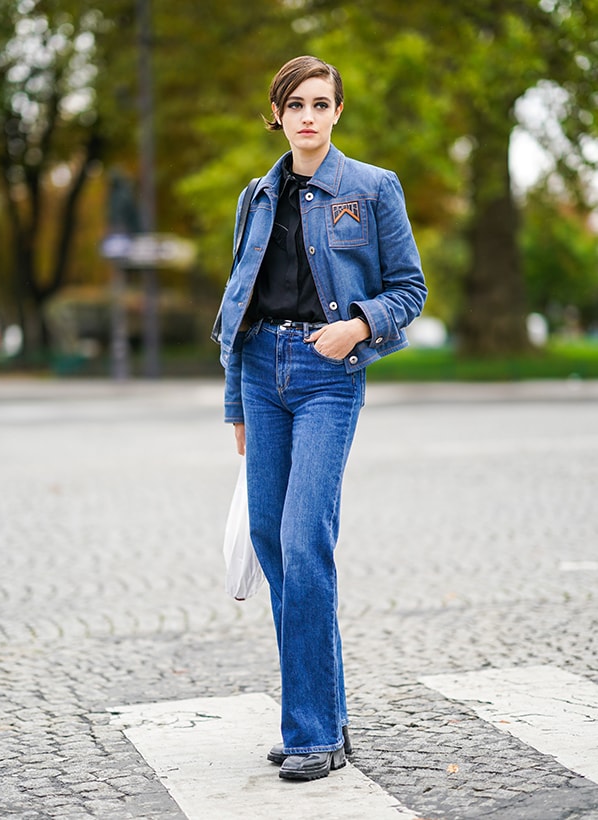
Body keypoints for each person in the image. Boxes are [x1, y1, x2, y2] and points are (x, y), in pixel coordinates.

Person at [214, 56, 427, 781]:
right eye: (295, 104)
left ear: (338, 113)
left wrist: (358, 326)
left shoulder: (371, 190)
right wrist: (236, 403)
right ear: (276, 113)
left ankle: (314, 732)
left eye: (321, 103)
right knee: (273, 541)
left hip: (326, 376)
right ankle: (317, 719)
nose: (308, 115)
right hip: (260, 372)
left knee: (306, 541)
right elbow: (237, 301)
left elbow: (410, 288)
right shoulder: (256, 195)